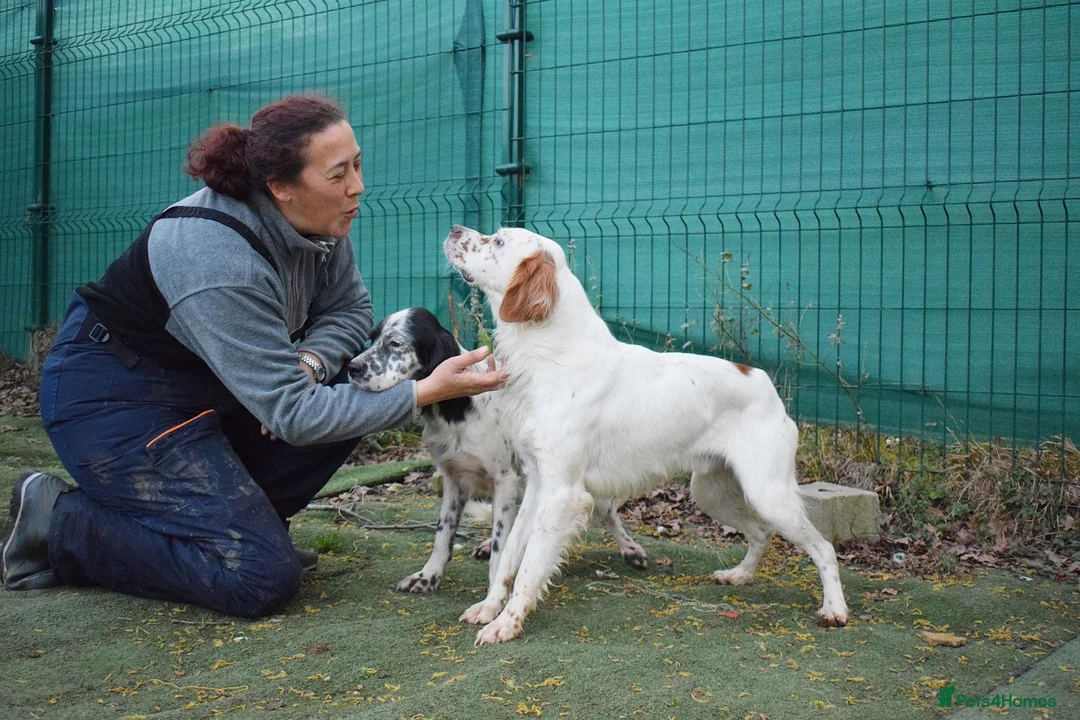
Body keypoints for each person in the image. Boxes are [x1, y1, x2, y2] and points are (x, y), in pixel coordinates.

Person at [1, 95, 506, 617]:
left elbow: (352, 309)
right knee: (258, 577)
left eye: (357, 164)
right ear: (280, 187)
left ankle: (243, 527)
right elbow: (292, 415)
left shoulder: (323, 224)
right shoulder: (214, 260)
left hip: (204, 385)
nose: (358, 186)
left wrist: (311, 362)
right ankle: (58, 522)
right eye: (338, 175)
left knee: (363, 382)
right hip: (113, 398)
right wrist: (423, 391)